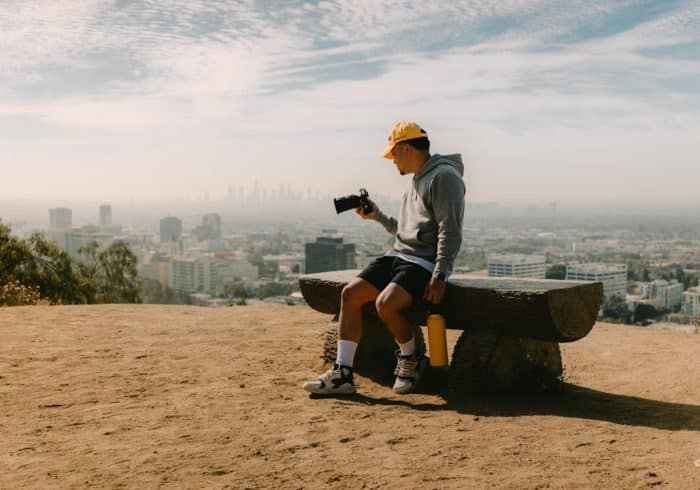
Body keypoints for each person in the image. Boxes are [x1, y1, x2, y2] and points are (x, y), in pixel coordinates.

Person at [303, 120, 465, 395]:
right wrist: (377, 216)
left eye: (393, 154)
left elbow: (450, 229)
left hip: (423, 263)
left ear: (406, 149)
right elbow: (406, 231)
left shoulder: (444, 177)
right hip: (399, 255)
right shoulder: (418, 179)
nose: (392, 161)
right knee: (350, 294)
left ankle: (411, 356)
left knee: (385, 305)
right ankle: (342, 374)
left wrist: (440, 273)